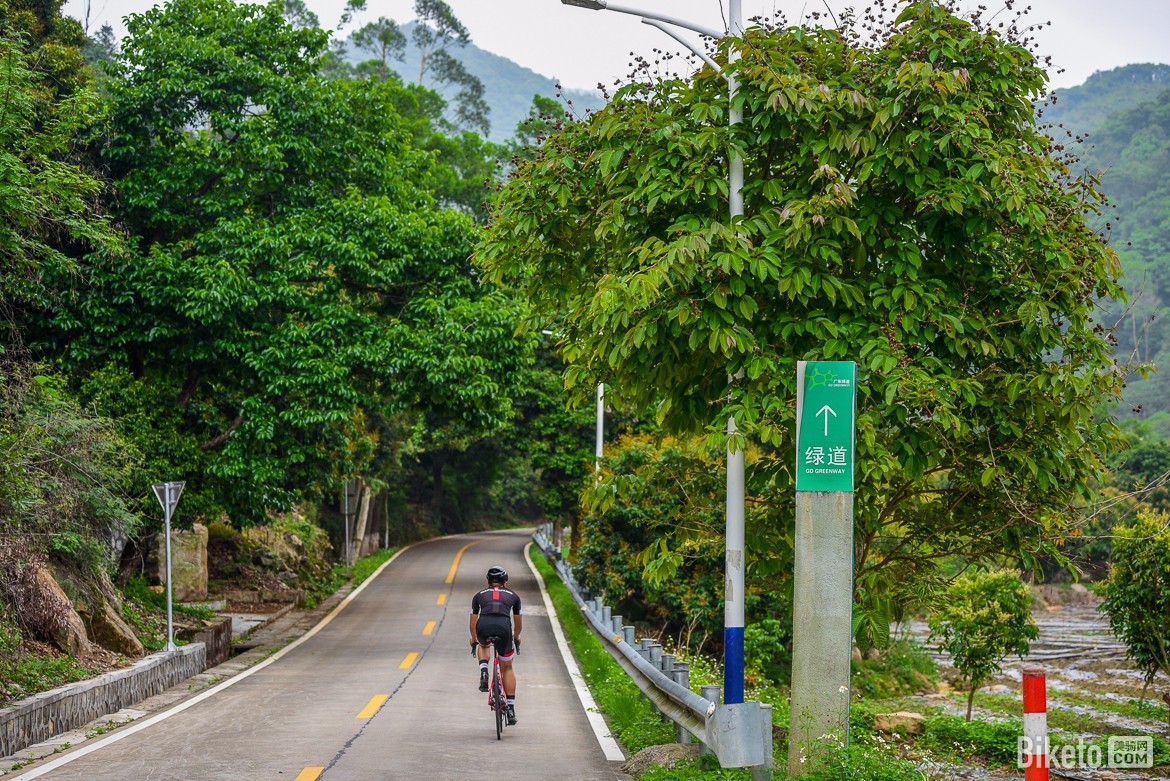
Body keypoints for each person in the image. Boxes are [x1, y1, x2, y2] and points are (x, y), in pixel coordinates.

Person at [469, 565, 523, 725]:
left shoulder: (478, 595)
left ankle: (484, 671)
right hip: (504, 627)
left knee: (483, 645)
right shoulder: (514, 596)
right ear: (505, 582)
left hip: (483, 626)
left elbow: (473, 622)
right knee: (507, 667)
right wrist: (517, 636)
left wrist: (474, 638)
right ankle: (511, 709)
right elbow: (518, 624)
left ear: (488, 582)